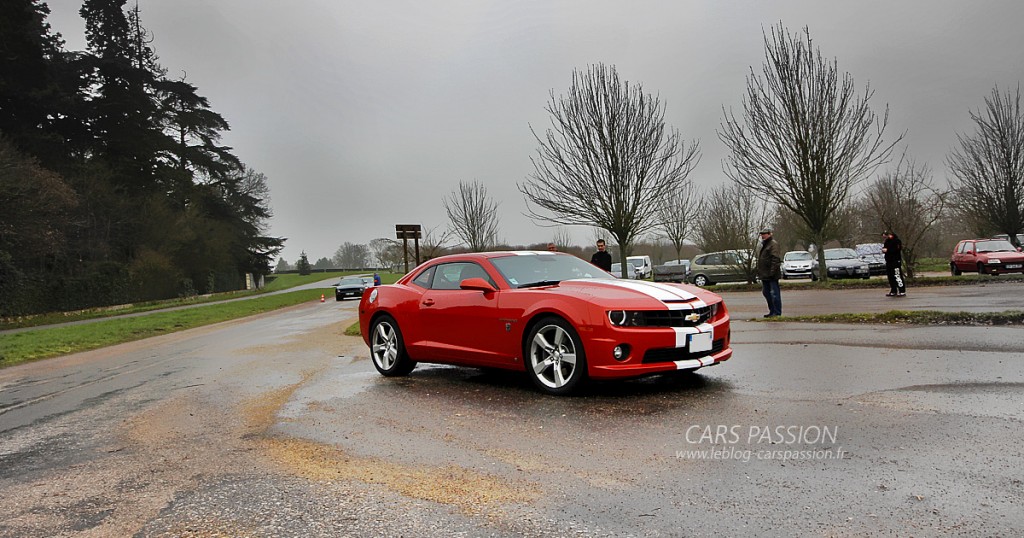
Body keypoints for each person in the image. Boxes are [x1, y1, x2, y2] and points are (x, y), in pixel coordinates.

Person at [756, 228, 783, 317]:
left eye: (764, 234)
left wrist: (772, 272)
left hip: (771, 275)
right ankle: (772, 311)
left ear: (770, 234)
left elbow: (775, 259)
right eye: (762, 234)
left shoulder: (773, 244)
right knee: (766, 293)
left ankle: (777, 312)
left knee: (774, 294)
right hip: (765, 274)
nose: (763, 236)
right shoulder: (764, 245)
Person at [882, 231, 906, 297]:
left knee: (897, 275)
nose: (885, 236)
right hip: (889, 261)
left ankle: (902, 290)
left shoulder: (897, 241)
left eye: (886, 235)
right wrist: (884, 250)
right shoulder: (887, 241)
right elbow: (884, 249)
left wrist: (888, 250)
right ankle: (893, 290)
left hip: (895, 261)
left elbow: (897, 249)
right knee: (890, 276)